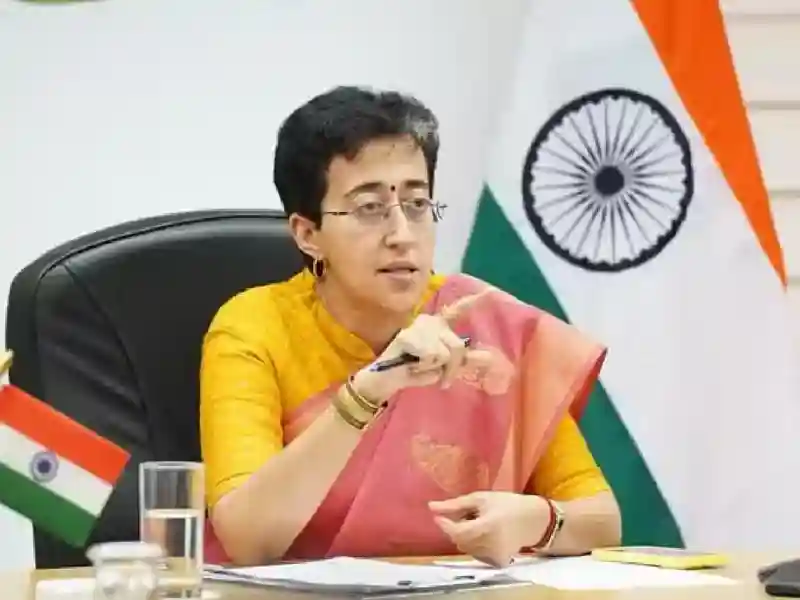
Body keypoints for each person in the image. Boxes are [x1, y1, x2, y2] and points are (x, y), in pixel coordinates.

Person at [199, 85, 622, 567]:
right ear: (308, 234)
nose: (402, 235)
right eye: (369, 209)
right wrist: (368, 392)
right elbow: (249, 540)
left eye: (417, 205)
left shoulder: (485, 321)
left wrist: (536, 520)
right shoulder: (254, 327)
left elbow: (602, 519)